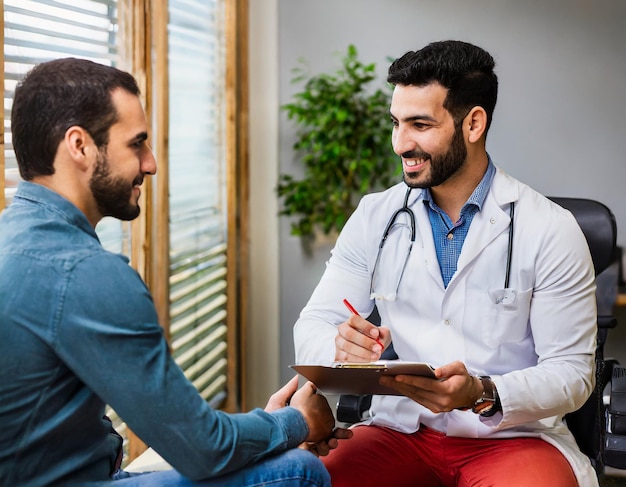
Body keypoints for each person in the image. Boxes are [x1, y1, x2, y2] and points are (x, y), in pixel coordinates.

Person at [0, 57, 351, 486]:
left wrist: (268, 428)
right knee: (299, 471)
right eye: (136, 144)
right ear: (80, 147)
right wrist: (297, 422)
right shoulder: (85, 273)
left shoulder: (12, 239)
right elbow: (205, 449)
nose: (150, 164)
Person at [293, 40, 599, 487]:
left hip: (512, 436)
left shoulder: (551, 229)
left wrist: (483, 393)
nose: (401, 143)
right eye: (396, 123)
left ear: (473, 123)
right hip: (401, 430)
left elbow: (572, 373)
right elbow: (314, 324)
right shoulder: (376, 217)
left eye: (420, 124)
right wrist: (339, 352)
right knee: (311, 479)